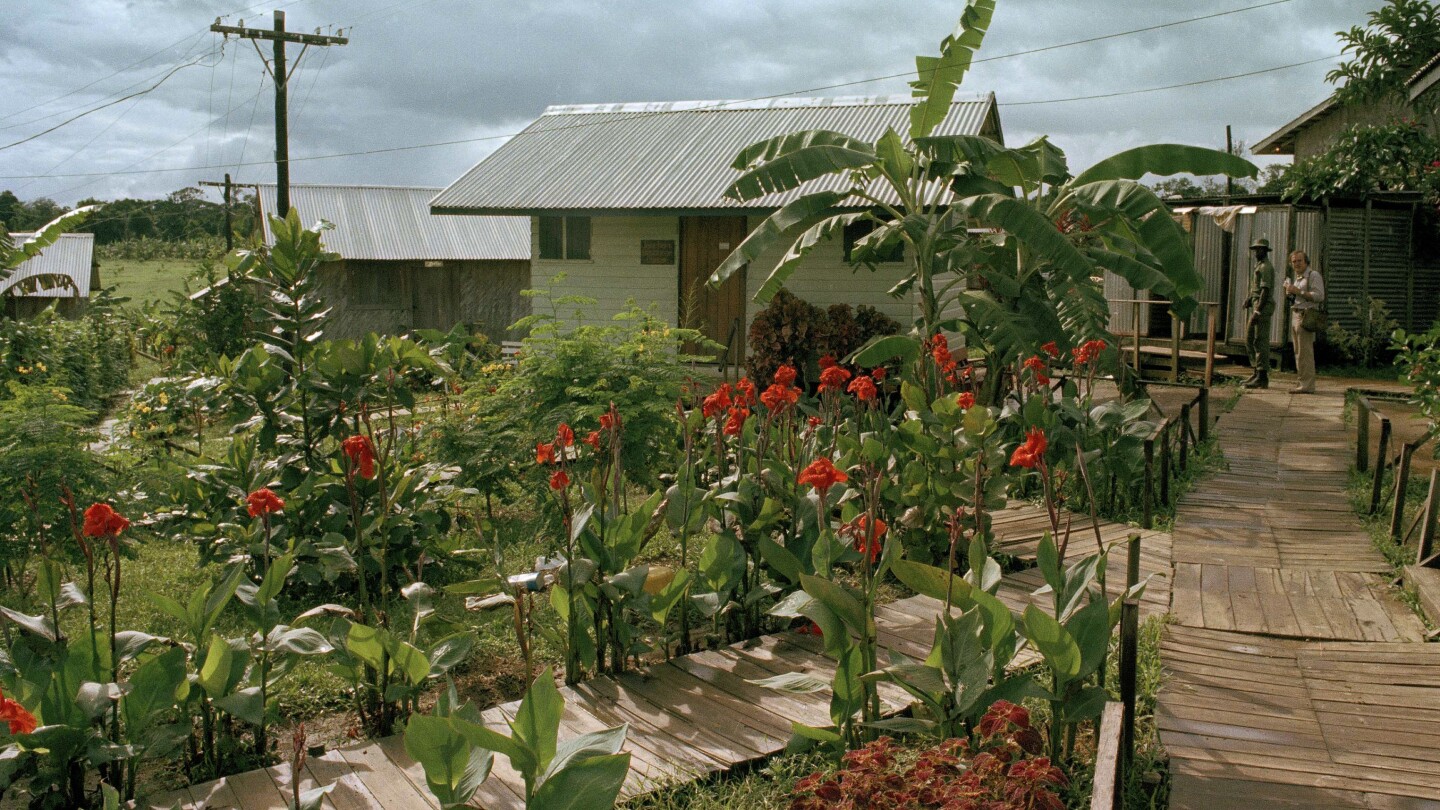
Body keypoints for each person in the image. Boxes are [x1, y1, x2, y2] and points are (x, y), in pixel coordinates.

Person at [1283, 250, 1325, 394]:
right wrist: (1289, 292)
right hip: (1296, 314)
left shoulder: (1313, 275)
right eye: (1294, 262)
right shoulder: (1298, 278)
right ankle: (1302, 383)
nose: (1296, 264)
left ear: (1306, 261)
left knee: (1305, 352)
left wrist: (1298, 291)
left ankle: (1307, 385)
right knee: (1298, 352)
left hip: (1306, 316)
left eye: (1299, 261)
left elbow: (1319, 296)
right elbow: (1297, 297)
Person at [1242, 237, 1276, 389]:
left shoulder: (1266, 267)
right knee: (1250, 338)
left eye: (1259, 249)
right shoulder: (1259, 265)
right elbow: (1256, 288)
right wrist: (1249, 299)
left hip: (1262, 306)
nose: (1256, 252)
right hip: (1257, 303)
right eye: (1255, 249)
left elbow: (1265, 290)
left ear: (1265, 251)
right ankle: (1257, 371)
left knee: (1259, 340)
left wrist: (1257, 310)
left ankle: (1262, 376)